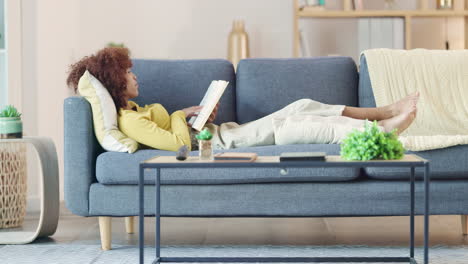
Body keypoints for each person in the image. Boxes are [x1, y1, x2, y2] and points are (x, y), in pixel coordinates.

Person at [66, 47, 419, 152]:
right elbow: (177, 144)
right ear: (115, 81)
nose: (135, 75)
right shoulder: (129, 121)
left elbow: (178, 131)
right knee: (293, 124)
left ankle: (380, 112)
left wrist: (193, 114)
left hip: (221, 132)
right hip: (220, 144)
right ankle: (380, 132)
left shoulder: (137, 110)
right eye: (128, 72)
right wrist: (182, 116)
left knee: (300, 105)